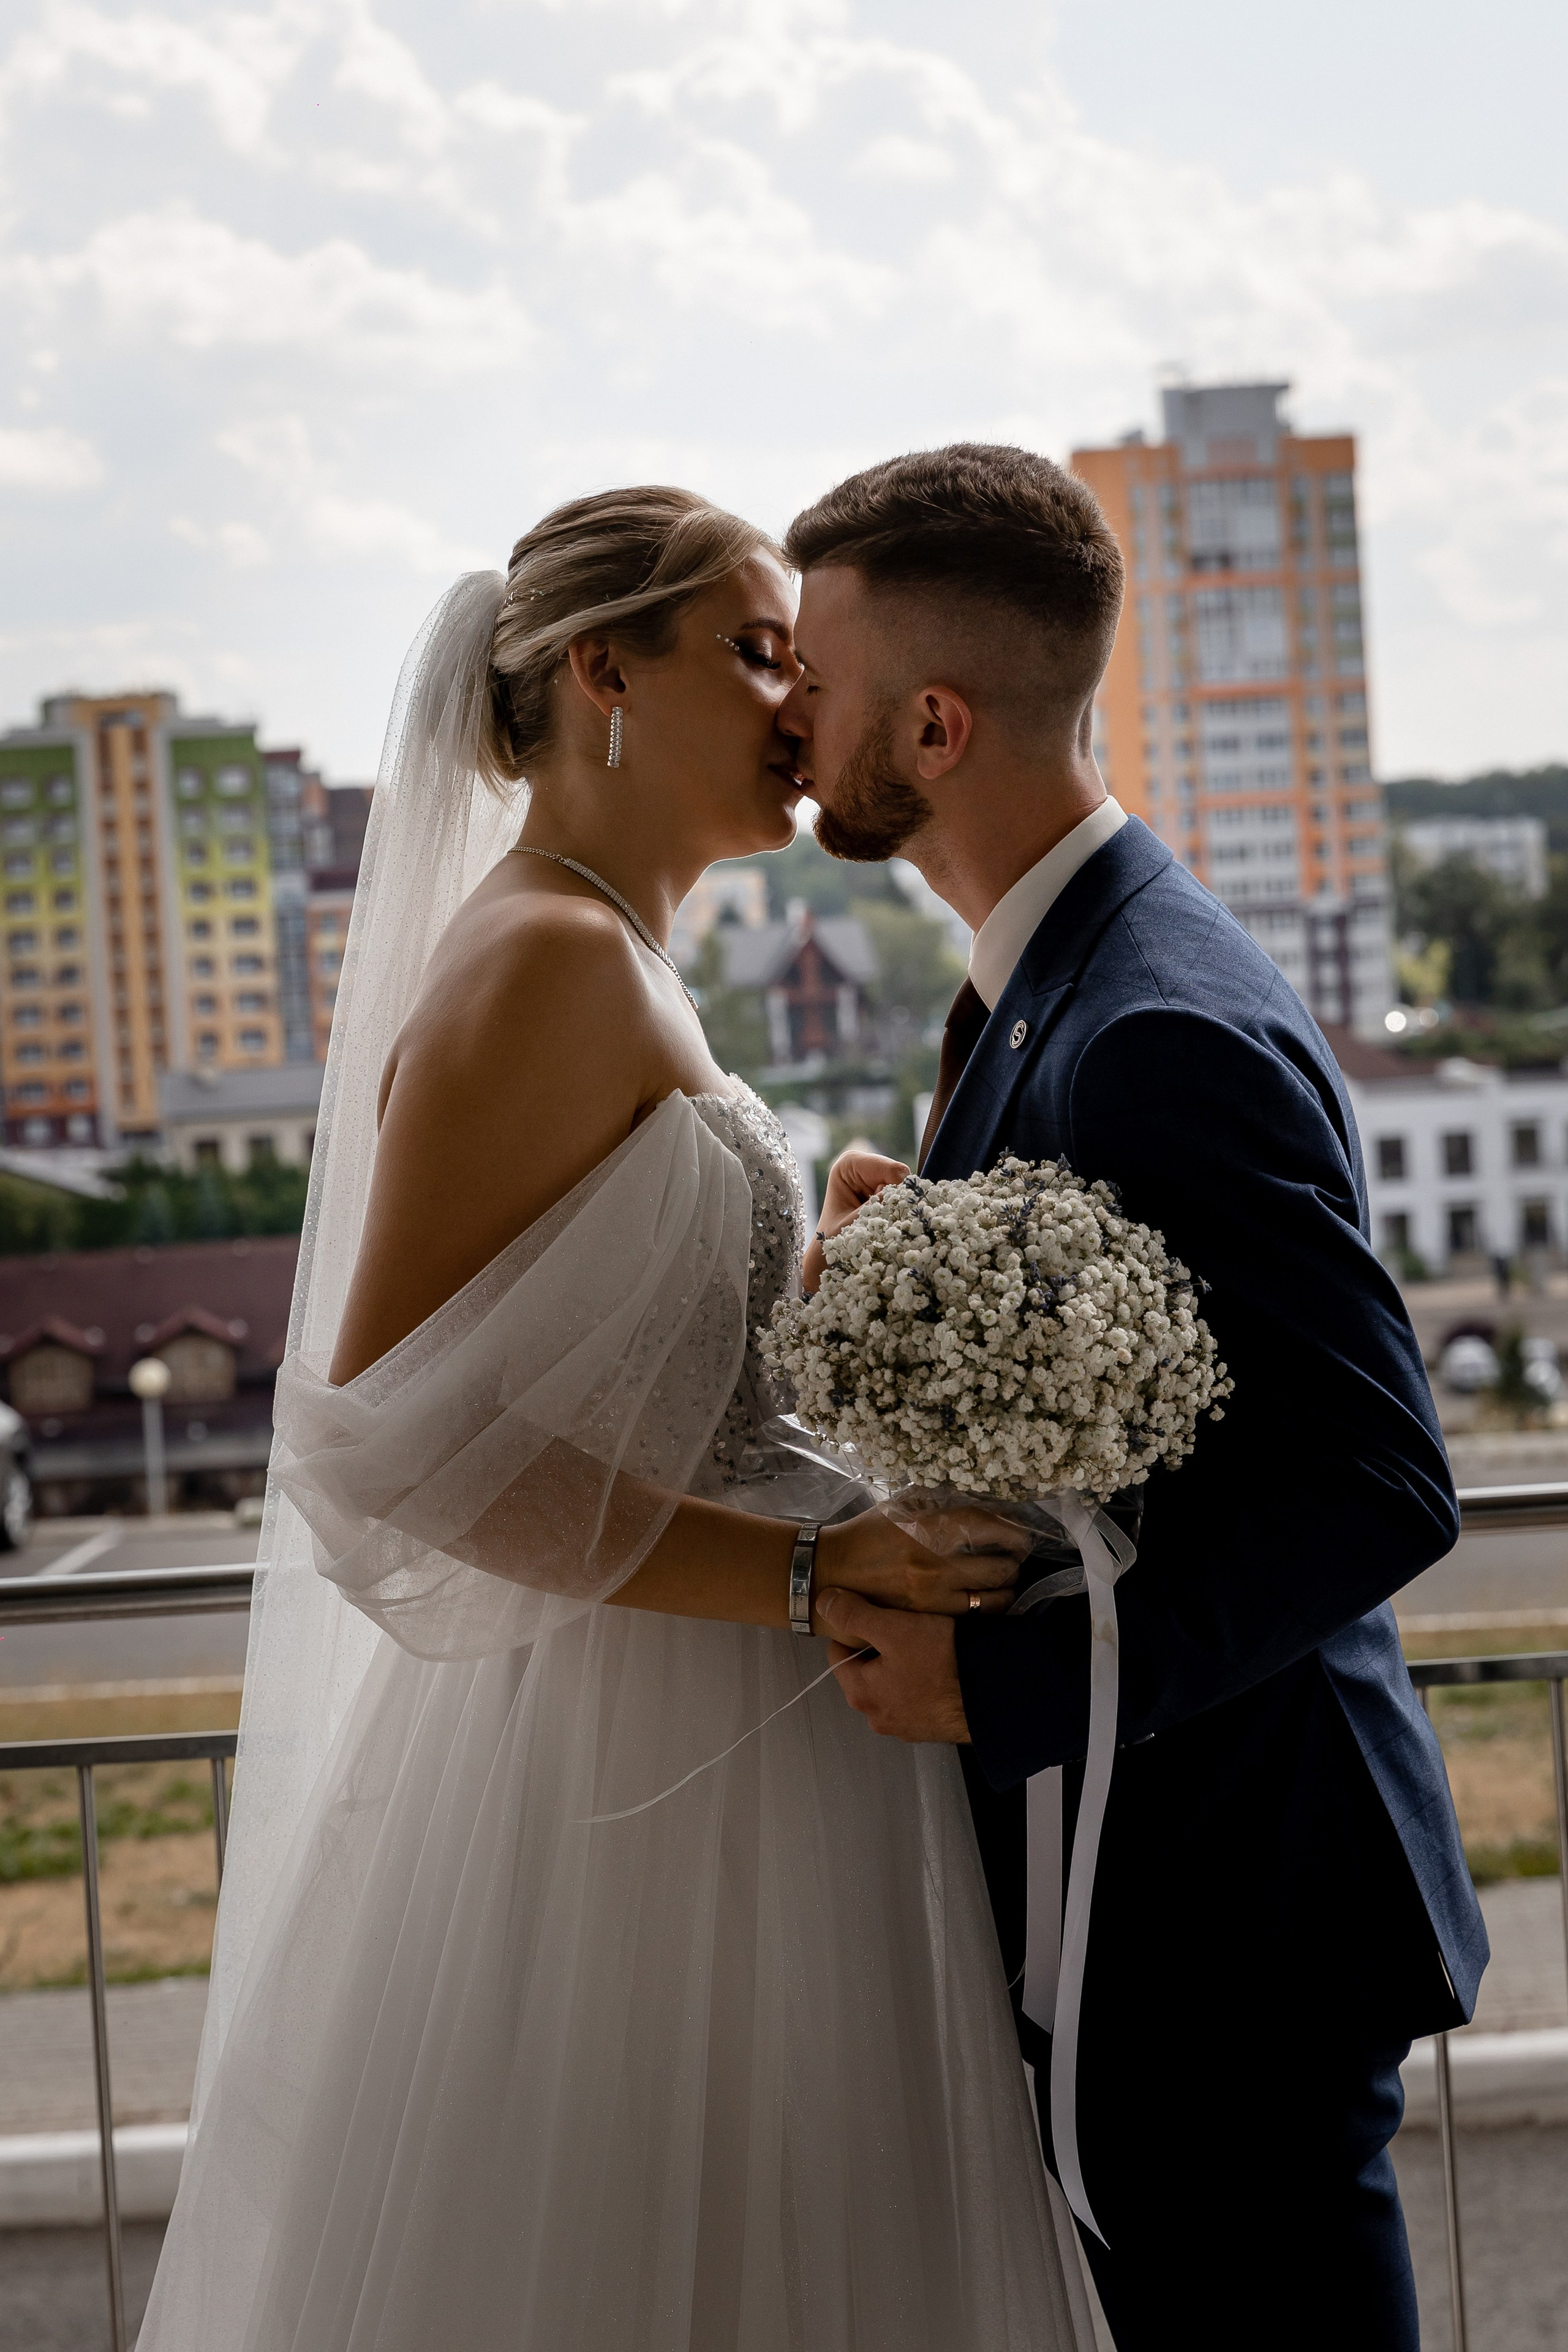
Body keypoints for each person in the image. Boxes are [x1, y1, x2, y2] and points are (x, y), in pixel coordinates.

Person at [137, 487, 1095, 2352]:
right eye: (754, 651)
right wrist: (816, 1573)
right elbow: (390, 1455)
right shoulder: (547, 965)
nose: (795, 696)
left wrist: (832, 1274)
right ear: (604, 677)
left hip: (740, 1716)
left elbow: (622, 1354)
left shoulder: (608, 950)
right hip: (627, 1762)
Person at [780, 444, 1486, 2350]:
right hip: (1176, 1893)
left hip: (1228, 1918)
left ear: (930, 726)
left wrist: (1002, 1687)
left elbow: (1374, 1479)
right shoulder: (1067, 974)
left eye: (815, 682)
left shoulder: (1149, 1016)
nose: (790, 715)